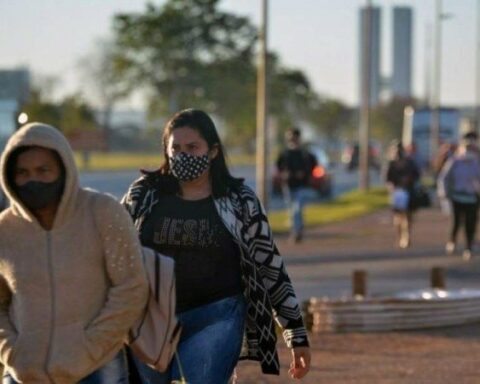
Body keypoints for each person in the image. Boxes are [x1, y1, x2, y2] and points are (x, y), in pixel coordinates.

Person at [122, 109, 311, 383]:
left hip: (217, 316)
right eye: (176, 148)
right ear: (166, 150)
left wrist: (295, 332)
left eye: (193, 147)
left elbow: (270, 265)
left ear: (212, 152)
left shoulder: (239, 202)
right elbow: (112, 248)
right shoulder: (144, 194)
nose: (183, 155)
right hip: (151, 319)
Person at [0, 123, 148, 383]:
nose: (33, 179)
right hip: (25, 373)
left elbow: (131, 287)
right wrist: (14, 353)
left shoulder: (102, 212)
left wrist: (89, 348)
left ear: (64, 169)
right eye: (23, 172)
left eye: (43, 170)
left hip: (98, 368)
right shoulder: (5, 230)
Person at [437, 139, 480, 261]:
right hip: (457, 197)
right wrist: (444, 193)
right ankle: (452, 240)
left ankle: (468, 247)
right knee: (456, 221)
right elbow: (444, 178)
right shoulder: (454, 162)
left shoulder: (476, 163)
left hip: (472, 198)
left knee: (470, 223)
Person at [275, 127, 317, 243]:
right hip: (288, 185)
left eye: (293, 137)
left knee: (297, 208)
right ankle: (296, 230)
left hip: (301, 185)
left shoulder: (304, 153)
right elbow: (279, 166)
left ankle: (297, 232)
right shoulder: (285, 153)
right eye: (289, 138)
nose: (291, 140)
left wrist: (304, 173)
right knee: (291, 210)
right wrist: (284, 174)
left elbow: (313, 164)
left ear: (298, 138)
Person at [386, 140, 421, 249]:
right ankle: (400, 235)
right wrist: (392, 187)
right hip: (397, 192)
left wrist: (408, 181)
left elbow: (417, 175)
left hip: (408, 191)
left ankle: (406, 236)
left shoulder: (410, 162)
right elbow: (388, 179)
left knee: (407, 216)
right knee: (397, 217)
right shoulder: (391, 164)